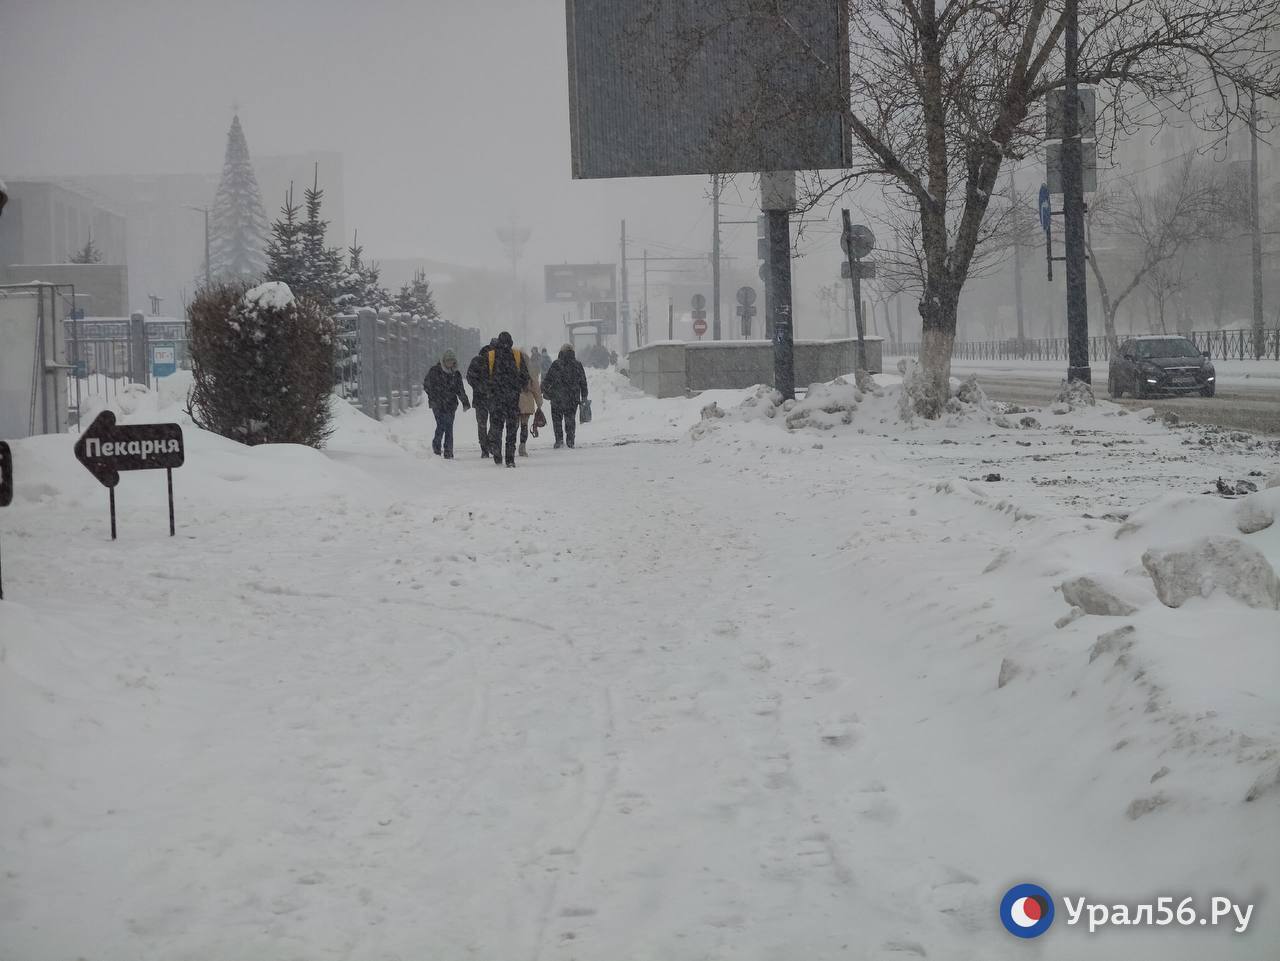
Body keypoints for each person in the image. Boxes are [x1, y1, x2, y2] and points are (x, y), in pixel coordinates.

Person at [484, 331, 530, 467]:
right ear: (511, 342)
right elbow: (525, 376)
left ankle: (497, 453)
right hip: (512, 399)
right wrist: (518, 386)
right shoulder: (517, 355)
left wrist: (490, 390)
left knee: (497, 428)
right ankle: (510, 459)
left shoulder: (491, 356)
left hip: (496, 399)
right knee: (511, 430)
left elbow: (484, 376)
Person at [541, 343, 589, 449]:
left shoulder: (556, 364)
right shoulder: (578, 365)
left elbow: (548, 379)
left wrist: (541, 389)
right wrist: (584, 395)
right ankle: (570, 440)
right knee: (570, 419)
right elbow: (583, 381)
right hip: (572, 398)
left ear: (561, 352)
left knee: (557, 420)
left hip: (557, 397)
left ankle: (559, 440)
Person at [424, 349, 470, 458]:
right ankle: (436, 447)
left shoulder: (456, 374)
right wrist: (433, 396)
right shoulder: (435, 371)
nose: (450, 363)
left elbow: (460, 389)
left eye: (452, 361)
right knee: (441, 425)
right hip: (438, 404)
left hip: (450, 404)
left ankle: (448, 451)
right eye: (448, 361)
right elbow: (427, 385)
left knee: (449, 427)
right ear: (443, 361)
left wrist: (465, 402)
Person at [466, 339, 496, 458]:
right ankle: (488, 444)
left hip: (481, 397)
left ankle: (485, 448)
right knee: (494, 423)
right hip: (493, 397)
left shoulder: (478, 360)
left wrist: (479, 387)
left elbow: (470, 377)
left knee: (482, 424)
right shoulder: (496, 360)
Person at [517, 349, 543, 457]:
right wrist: (539, 403)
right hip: (527, 402)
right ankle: (522, 445)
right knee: (524, 425)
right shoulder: (530, 370)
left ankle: (511, 444)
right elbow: (536, 387)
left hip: (514, 401)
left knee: (513, 425)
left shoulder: (511, 368)